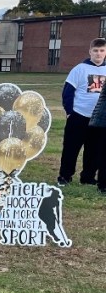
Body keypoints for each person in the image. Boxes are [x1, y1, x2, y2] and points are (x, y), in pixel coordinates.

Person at [57, 37, 106, 187]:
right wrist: (70, 111)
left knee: (94, 150)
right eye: (95, 51)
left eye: (102, 51)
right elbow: (68, 91)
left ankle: (88, 177)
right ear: (90, 51)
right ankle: (65, 176)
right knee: (71, 148)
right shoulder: (80, 69)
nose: (98, 54)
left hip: (99, 118)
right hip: (79, 115)